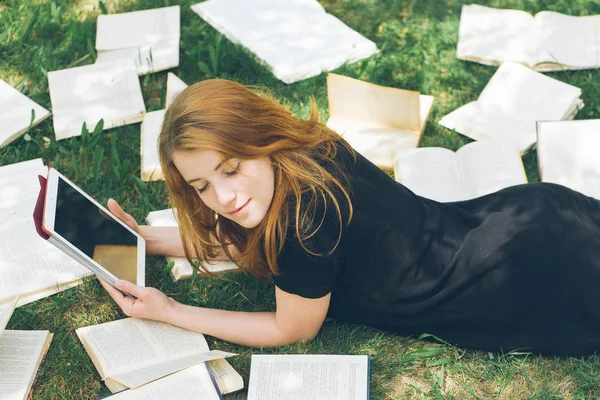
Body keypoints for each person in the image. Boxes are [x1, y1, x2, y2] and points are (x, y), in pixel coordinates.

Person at [101, 79, 600, 356]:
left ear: (259, 139)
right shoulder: (310, 147)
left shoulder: (303, 226)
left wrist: (170, 312)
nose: (224, 197)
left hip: (532, 276)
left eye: (231, 169)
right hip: (532, 214)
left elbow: (290, 330)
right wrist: (146, 238)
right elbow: (250, 243)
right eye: (202, 186)